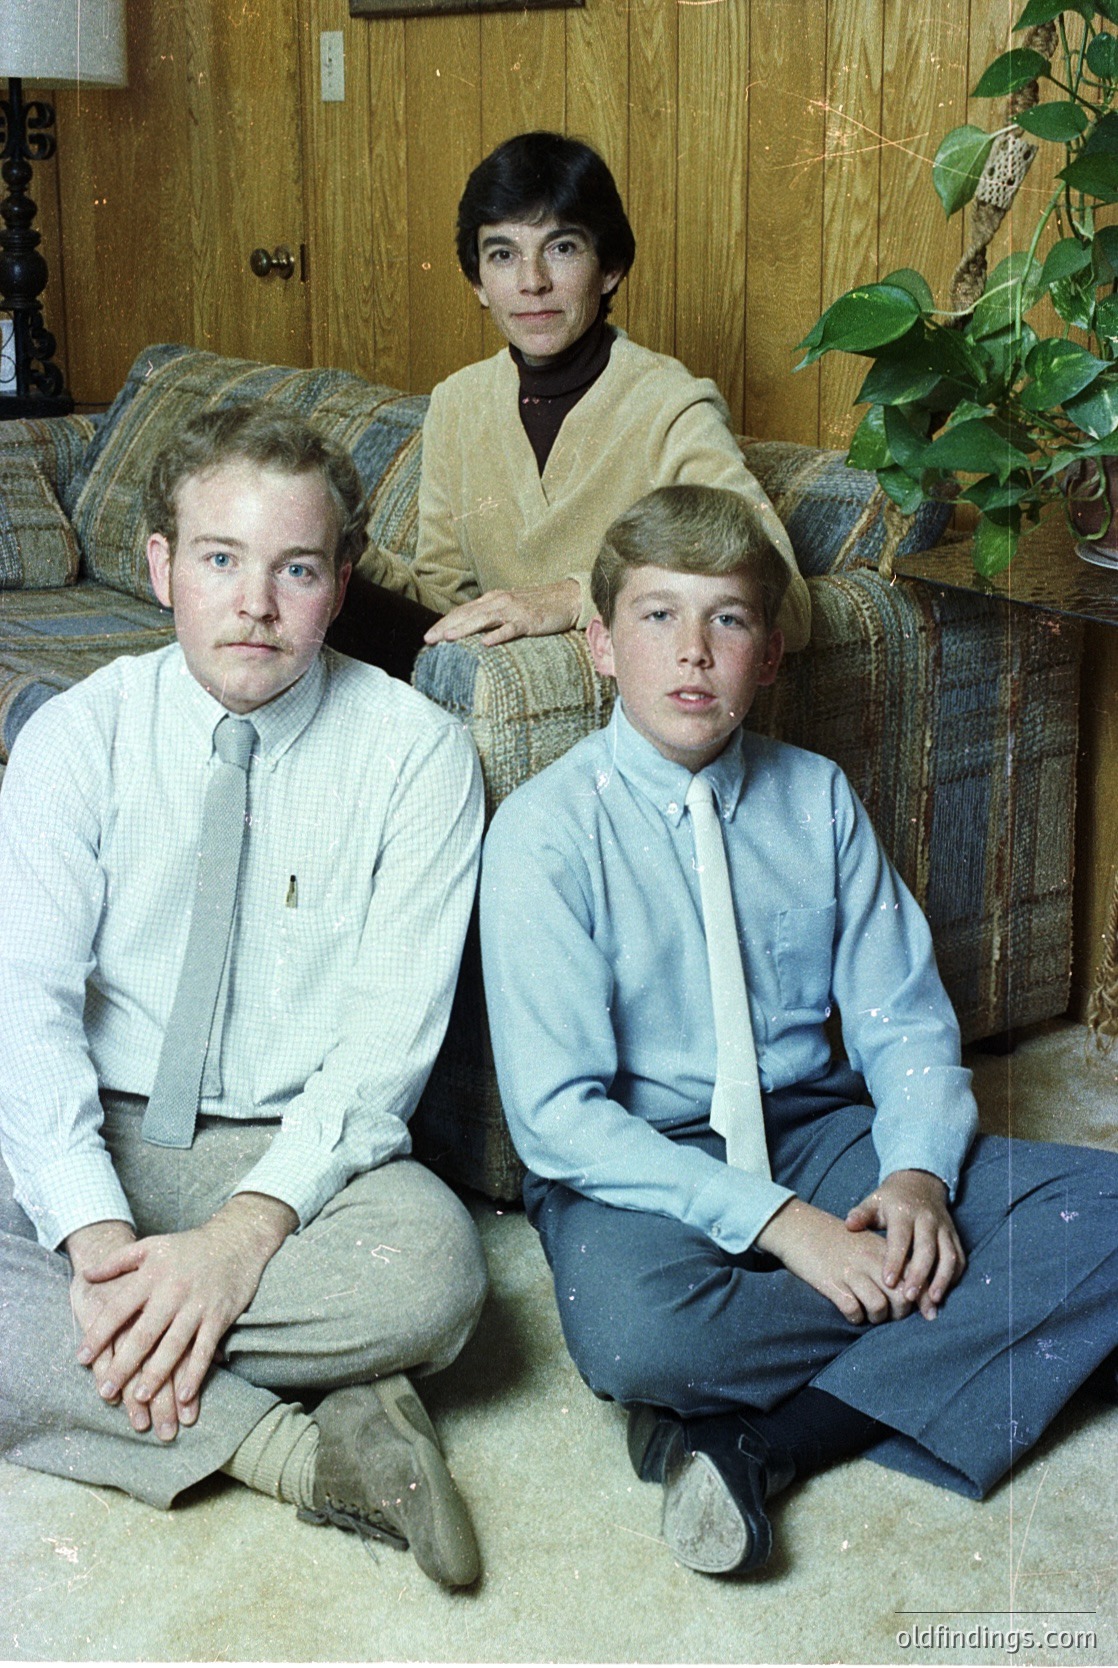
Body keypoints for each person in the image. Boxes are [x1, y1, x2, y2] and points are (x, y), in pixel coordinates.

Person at [479, 484, 1118, 1578]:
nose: (692, 652)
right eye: (655, 616)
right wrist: (788, 1229)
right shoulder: (544, 836)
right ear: (597, 645)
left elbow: (904, 1022)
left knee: (1103, 1212)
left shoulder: (814, 799)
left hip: (817, 1126)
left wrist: (913, 1174)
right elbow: (558, 1122)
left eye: (726, 619)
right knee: (640, 1335)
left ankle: (758, 1441)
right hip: (637, 1161)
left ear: (768, 656)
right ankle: (874, 1355)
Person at [0, 404, 489, 1588]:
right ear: (164, 567)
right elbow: (27, 1009)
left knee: (438, 1272)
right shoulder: (77, 735)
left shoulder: (417, 755)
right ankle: (301, 1443)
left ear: (339, 582)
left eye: (296, 568)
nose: (255, 604)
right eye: (220, 560)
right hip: (101, 1124)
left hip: (290, 1159)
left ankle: (152, 1351)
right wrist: (105, 1241)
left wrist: (237, 1241)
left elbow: (383, 1053)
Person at [332, 130, 810, 671]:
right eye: (503, 254)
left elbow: (785, 603)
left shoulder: (668, 404)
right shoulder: (458, 401)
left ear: (609, 269)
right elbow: (450, 607)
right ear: (478, 283)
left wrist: (571, 598)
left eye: (561, 248)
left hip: (600, 695)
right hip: (491, 689)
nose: (532, 282)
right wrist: (345, 552)